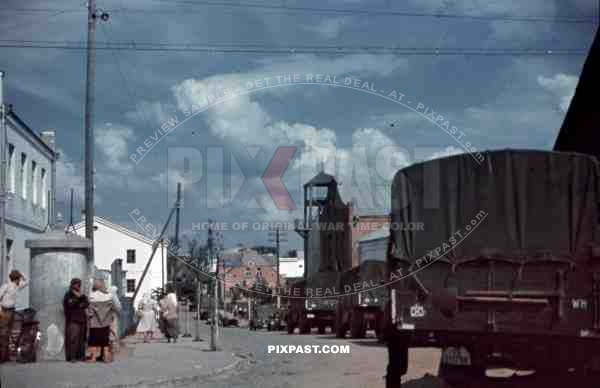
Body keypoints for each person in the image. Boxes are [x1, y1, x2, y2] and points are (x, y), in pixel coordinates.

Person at [87, 279, 120, 362]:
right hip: (106, 322)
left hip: (94, 323)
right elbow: (115, 308)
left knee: (94, 340)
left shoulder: (91, 296)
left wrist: (88, 315)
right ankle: (106, 357)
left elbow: (90, 311)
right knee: (105, 340)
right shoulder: (109, 296)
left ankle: (93, 357)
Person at [0, 270, 28, 363]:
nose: (20, 280)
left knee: (8, 333)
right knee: (3, 333)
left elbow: (27, 281)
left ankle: (6, 356)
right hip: (4, 311)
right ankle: (2, 357)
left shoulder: (17, 286)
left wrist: (21, 273)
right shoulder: (6, 286)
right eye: (19, 278)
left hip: (12, 311)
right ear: (16, 279)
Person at [63, 278, 89, 362]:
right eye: (76, 284)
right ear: (72, 285)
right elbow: (70, 304)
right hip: (72, 320)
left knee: (81, 339)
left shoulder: (81, 294)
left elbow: (86, 303)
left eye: (79, 284)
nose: (78, 286)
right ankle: (72, 357)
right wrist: (78, 299)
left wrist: (80, 302)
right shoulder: (68, 294)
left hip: (81, 319)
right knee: (73, 338)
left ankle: (81, 356)